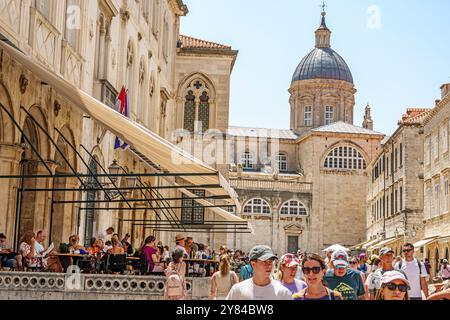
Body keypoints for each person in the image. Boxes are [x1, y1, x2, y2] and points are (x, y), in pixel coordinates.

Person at [226, 245, 293, 300]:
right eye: (265, 261)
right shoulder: (238, 290)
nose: (269, 265)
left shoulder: (283, 293)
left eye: (271, 261)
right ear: (253, 264)